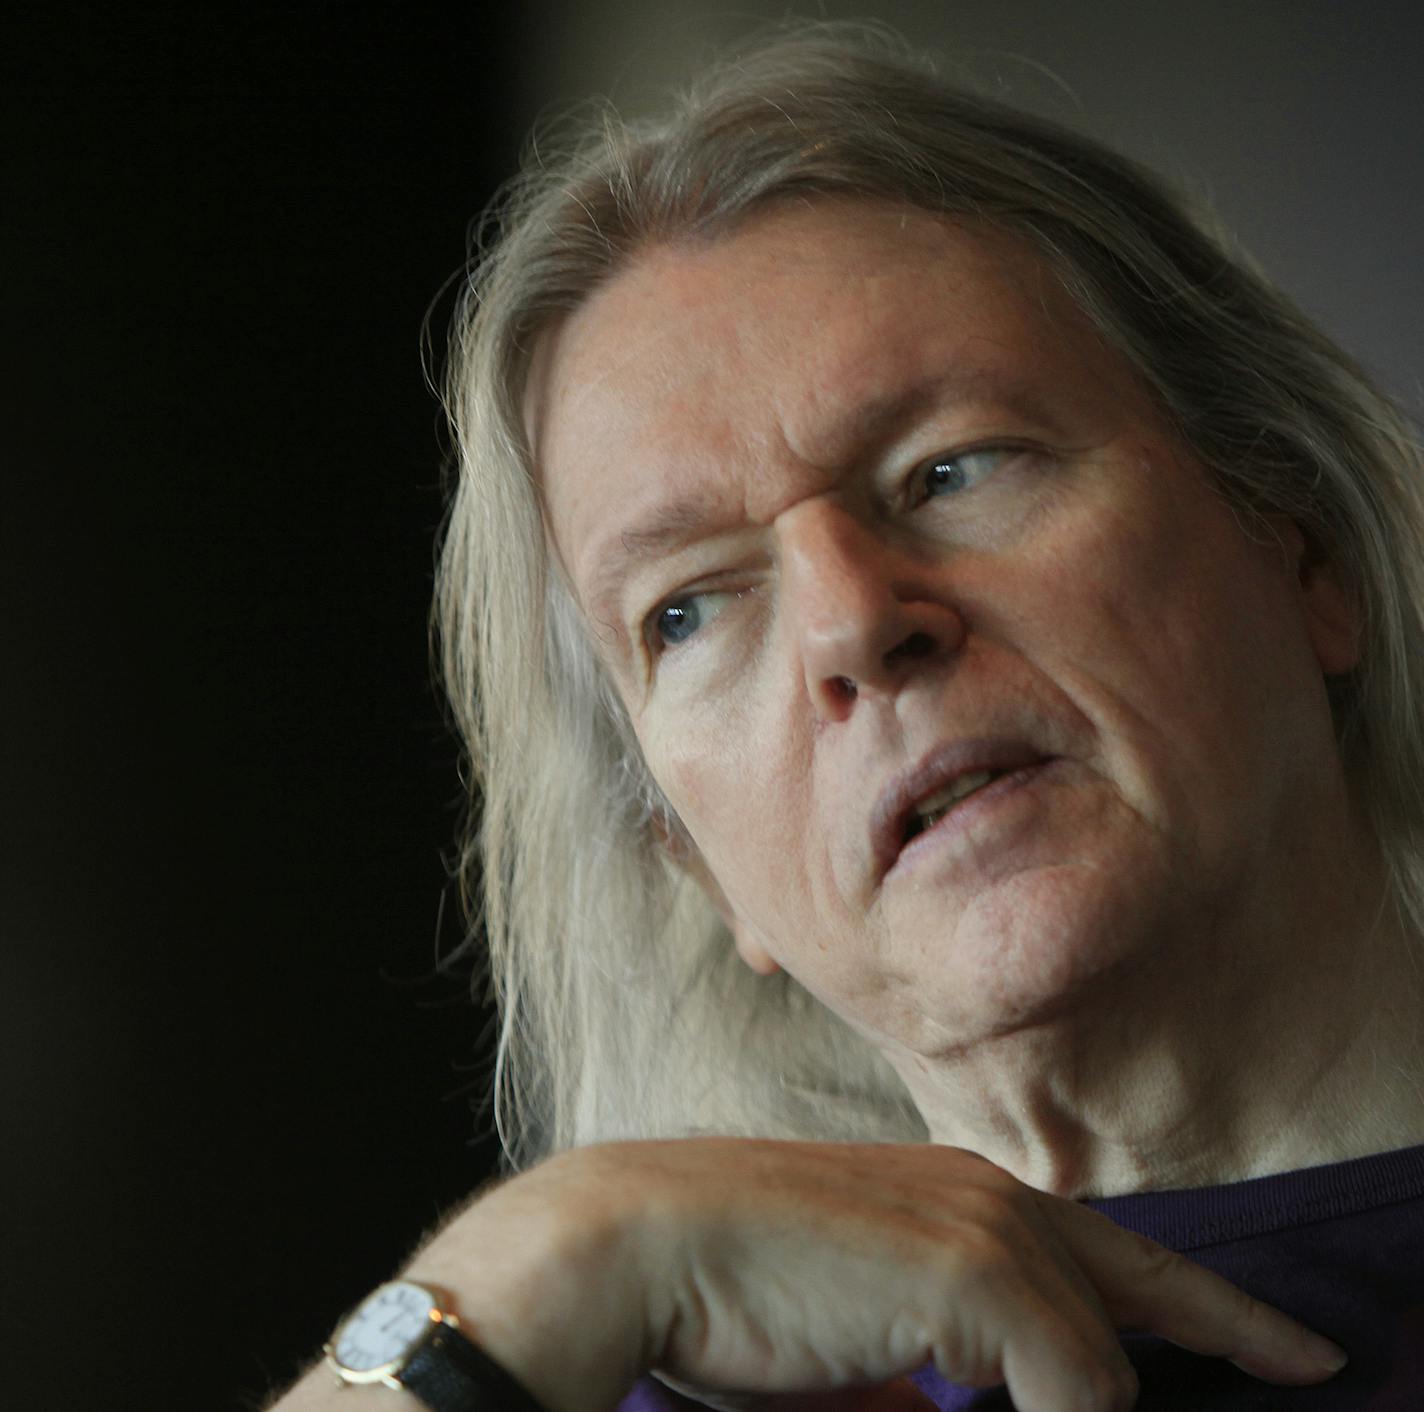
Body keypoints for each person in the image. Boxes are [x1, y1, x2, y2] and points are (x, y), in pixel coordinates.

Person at [272, 24, 1424, 1412]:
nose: (854, 626)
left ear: (1305, 552)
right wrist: (532, 1269)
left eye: (952, 468)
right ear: (688, 857)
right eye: (689, 607)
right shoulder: (617, 1373)